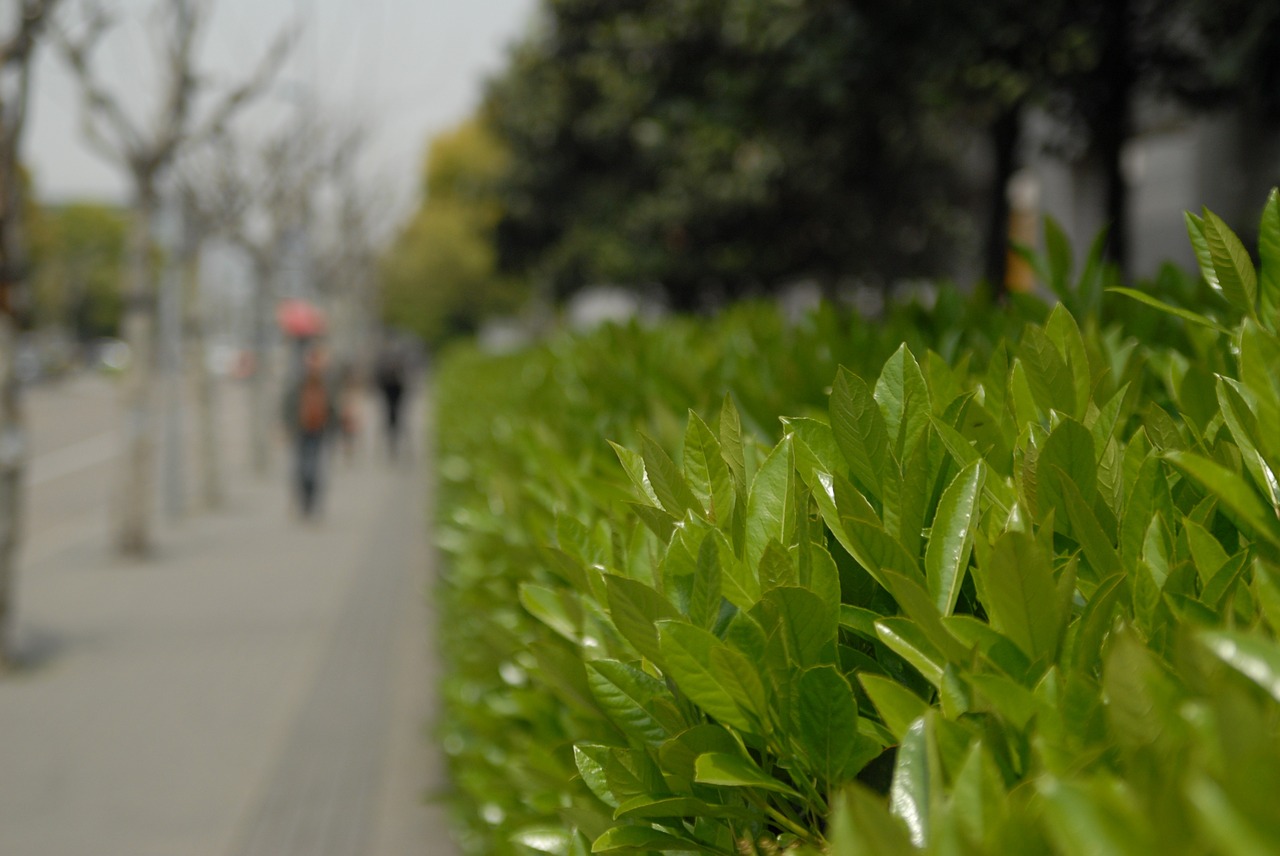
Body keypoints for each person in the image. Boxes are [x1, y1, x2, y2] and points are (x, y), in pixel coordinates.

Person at [281, 345, 338, 518]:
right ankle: (304, 502)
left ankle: (311, 503)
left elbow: (332, 408)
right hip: (301, 429)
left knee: (312, 467)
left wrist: (335, 430)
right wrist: (287, 425)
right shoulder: (298, 381)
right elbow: (288, 404)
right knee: (302, 468)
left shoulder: (326, 381)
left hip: (318, 430)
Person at [374, 340, 407, 460]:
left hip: (392, 394)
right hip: (391, 394)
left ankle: (393, 437)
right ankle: (393, 438)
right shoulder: (395, 361)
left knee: (392, 417)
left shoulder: (385, 360)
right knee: (393, 417)